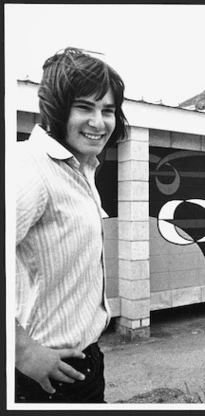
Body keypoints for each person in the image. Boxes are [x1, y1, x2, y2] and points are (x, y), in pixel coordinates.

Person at [14, 47, 129, 403]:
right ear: (57, 108)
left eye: (108, 110)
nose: (99, 122)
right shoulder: (30, 169)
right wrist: (22, 352)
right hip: (42, 381)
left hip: (85, 362)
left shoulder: (80, 169)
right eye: (84, 107)